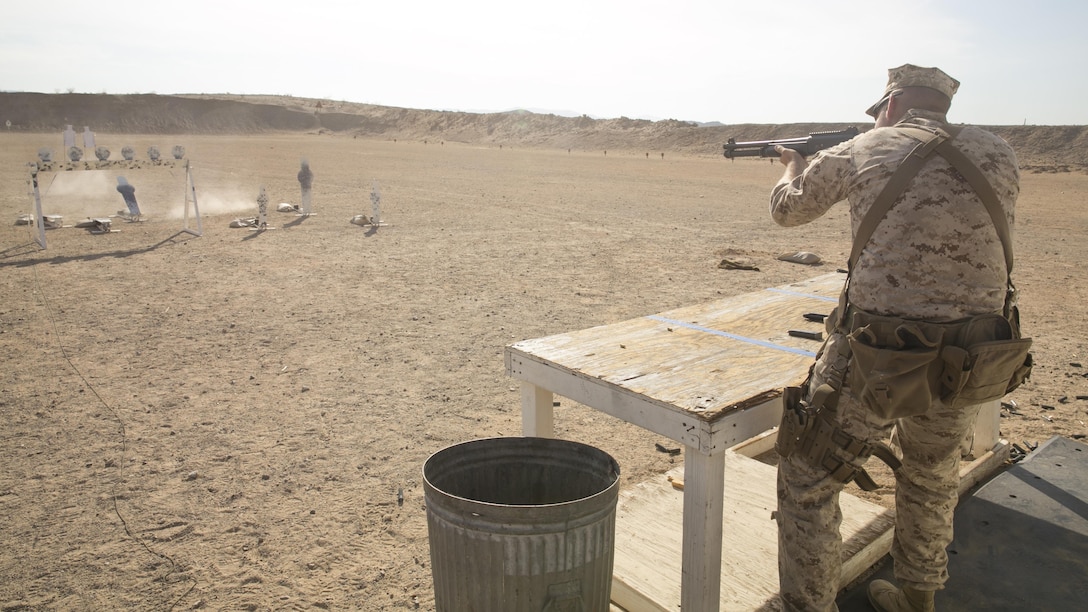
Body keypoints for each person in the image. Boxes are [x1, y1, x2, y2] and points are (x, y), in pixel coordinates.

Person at [769, 64, 1021, 611]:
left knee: (809, 477)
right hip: (972, 353)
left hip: (877, 355)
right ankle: (917, 597)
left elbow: (786, 212)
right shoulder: (1000, 152)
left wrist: (794, 164)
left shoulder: (864, 147)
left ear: (893, 100)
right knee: (933, 474)